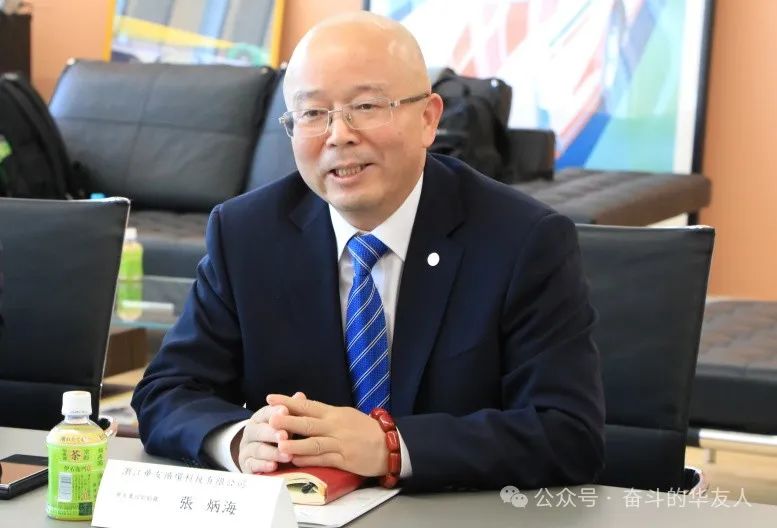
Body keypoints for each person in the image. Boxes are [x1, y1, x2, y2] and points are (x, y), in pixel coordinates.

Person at [132, 11, 605, 492]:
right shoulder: (245, 234)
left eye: (366, 106)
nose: (338, 134)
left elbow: (567, 433)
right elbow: (167, 391)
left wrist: (391, 446)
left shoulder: (523, 240)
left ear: (428, 119)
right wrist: (237, 440)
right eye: (312, 113)